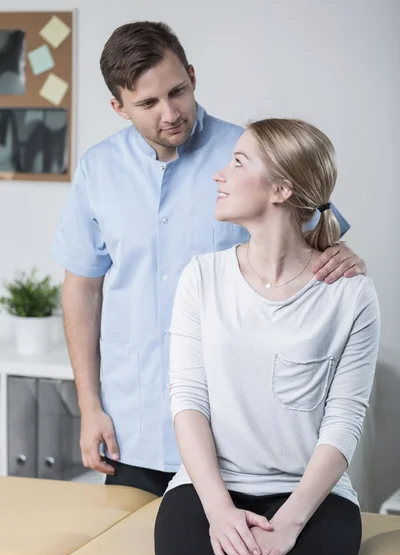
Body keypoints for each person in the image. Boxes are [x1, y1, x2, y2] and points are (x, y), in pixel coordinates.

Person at [52, 21, 365, 497]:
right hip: (130, 424)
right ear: (118, 107)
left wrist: (340, 254)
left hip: (236, 438)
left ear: (193, 75)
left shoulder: (251, 155)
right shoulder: (98, 169)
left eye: (178, 91)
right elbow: (82, 289)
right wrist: (89, 405)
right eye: (148, 103)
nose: (171, 112)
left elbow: (321, 229)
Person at [154, 118, 380, 555]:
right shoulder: (202, 278)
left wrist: (288, 524)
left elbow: (344, 421)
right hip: (205, 491)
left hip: (314, 501)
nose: (220, 175)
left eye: (237, 162)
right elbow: (188, 398)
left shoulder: (351, 294)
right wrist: (219, 510)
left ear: (281, 188)